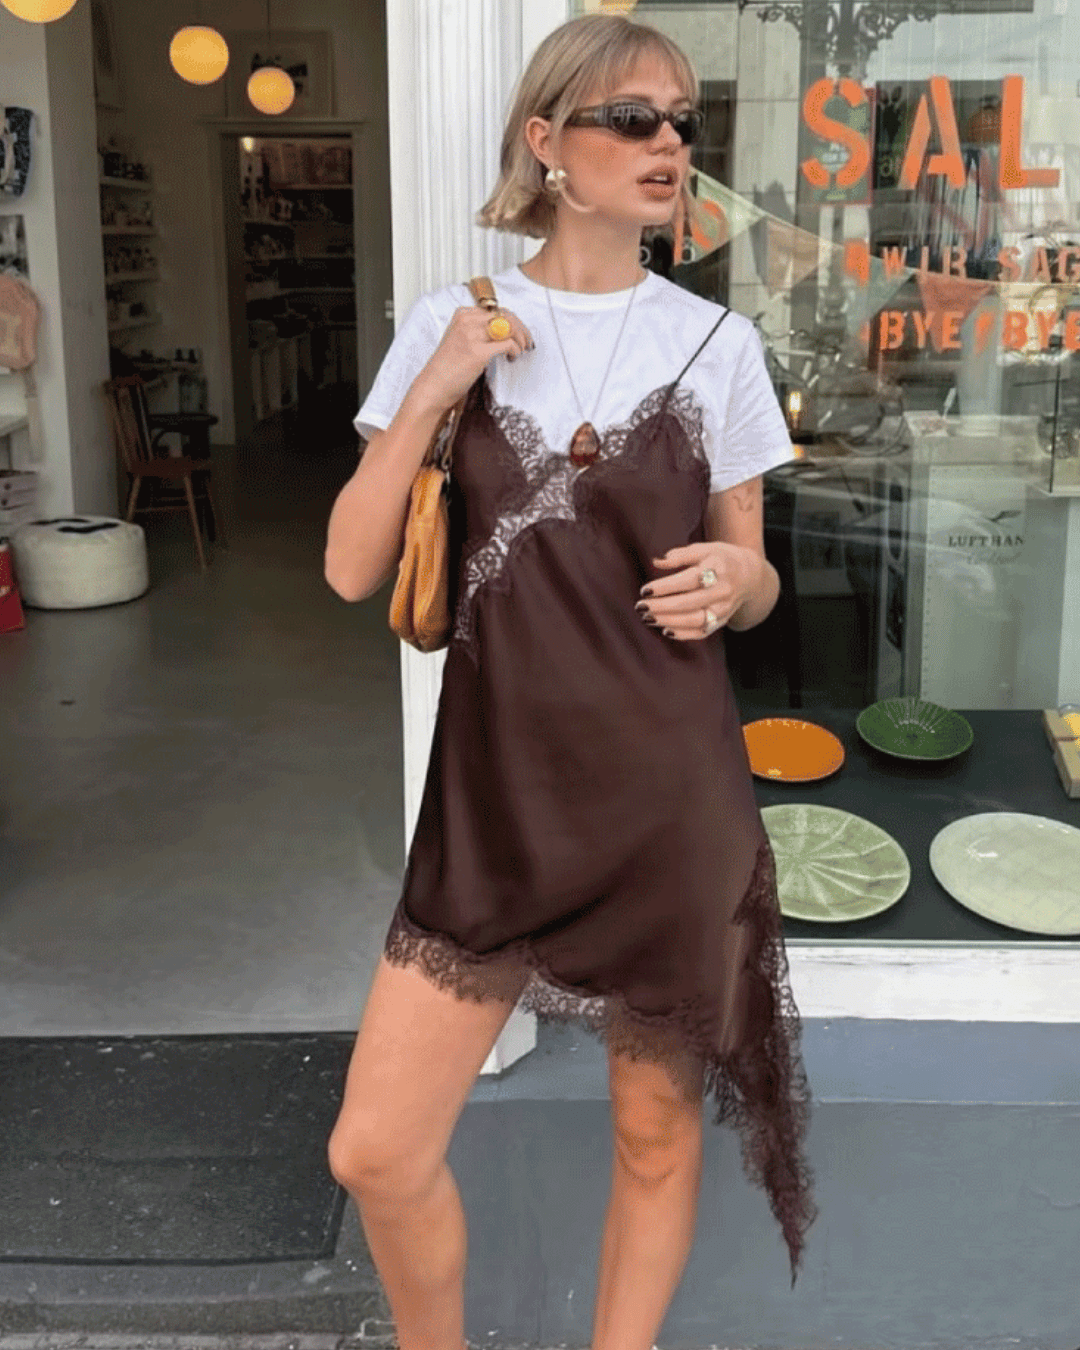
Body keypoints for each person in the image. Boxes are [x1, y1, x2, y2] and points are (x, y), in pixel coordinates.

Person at [324, 15, 818, 1350]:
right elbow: (351, 567)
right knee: (376, 1148)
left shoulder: (717, 344)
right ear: (546, 142)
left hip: (668, 804)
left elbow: (756, 578)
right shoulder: (456, 321)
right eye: (633, 119)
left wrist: (738, 579)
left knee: (654, 1138)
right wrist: (437, 385)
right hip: (495, 811)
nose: (669, 145)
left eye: (682, 123)